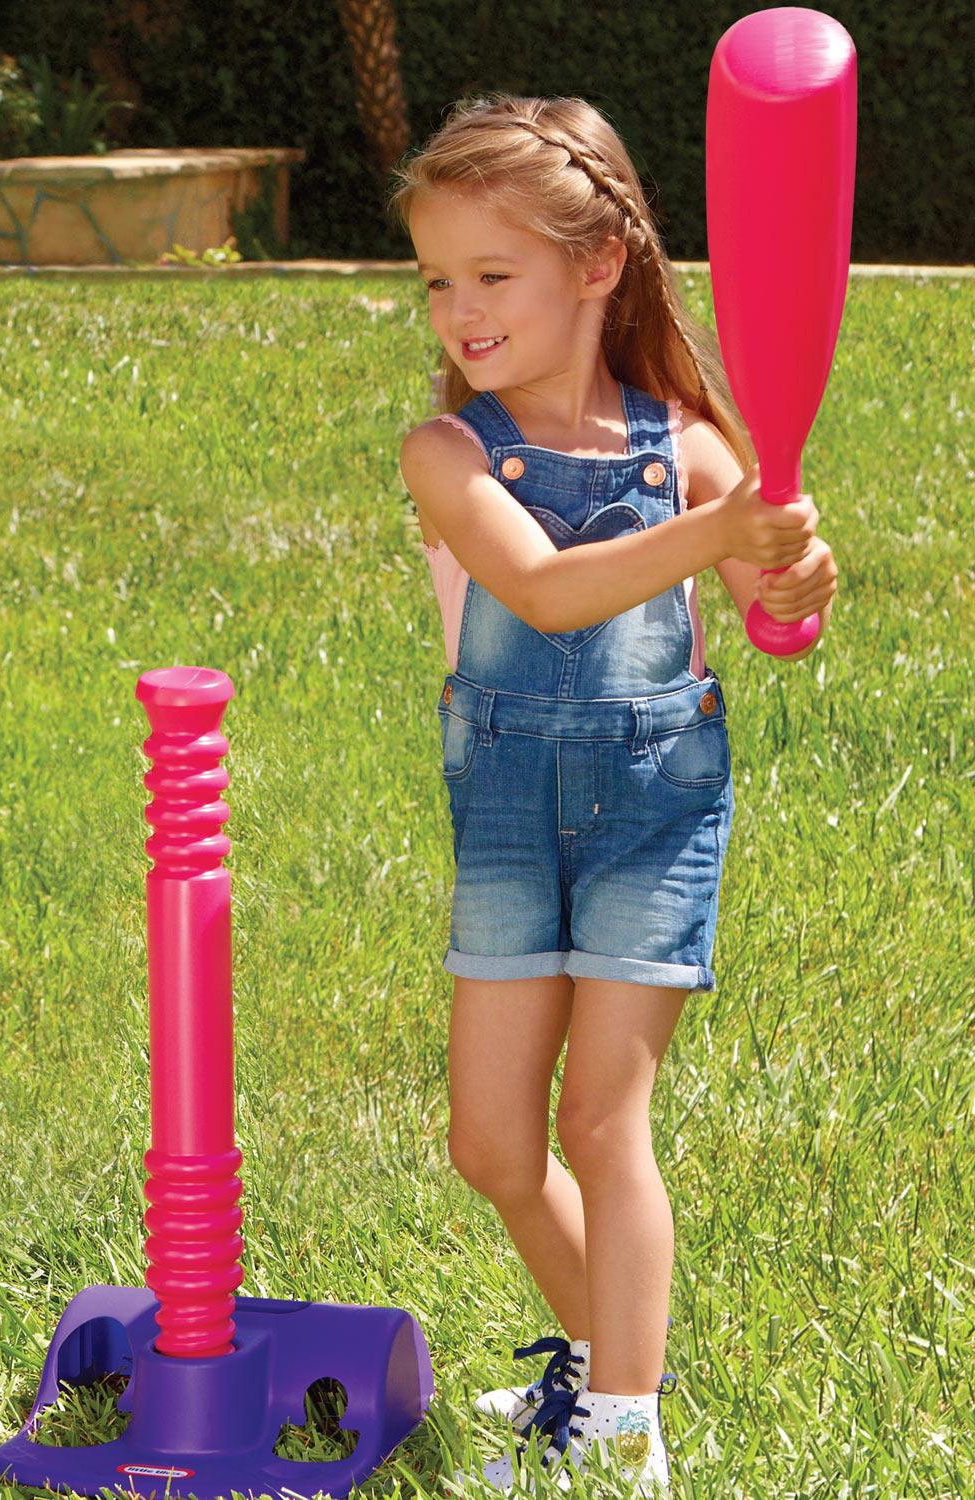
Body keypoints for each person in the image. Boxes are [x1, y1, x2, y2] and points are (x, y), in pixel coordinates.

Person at [390, 95, 838, 1494]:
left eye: (491, 274)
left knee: (602, 1119)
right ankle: (610, 1360)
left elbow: (776, 589)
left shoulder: (688, 443)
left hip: (655, 798)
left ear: (596, 267)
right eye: (437, 280)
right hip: (512, 811)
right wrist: (723, 529)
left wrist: (793, 575)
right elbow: (542, 587)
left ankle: (624, 1431)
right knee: (492, 1146)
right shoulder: (449, 455)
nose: (459, 309)